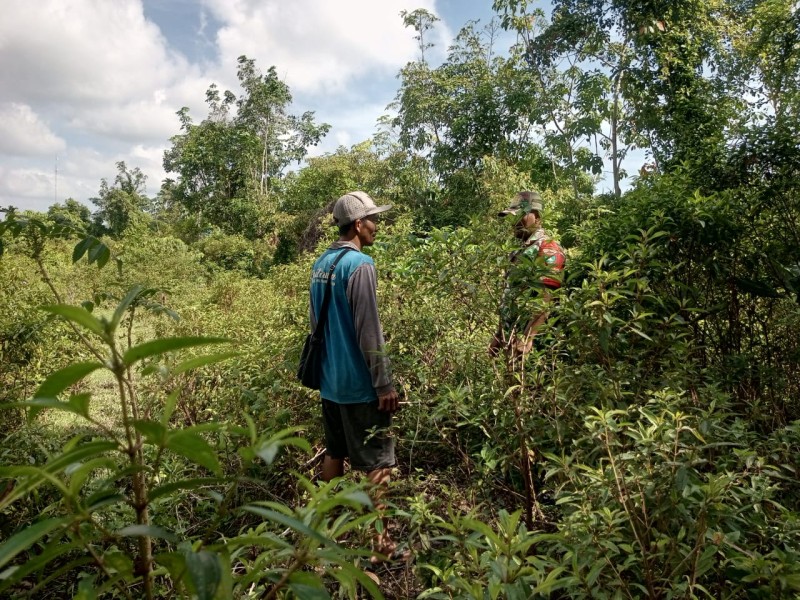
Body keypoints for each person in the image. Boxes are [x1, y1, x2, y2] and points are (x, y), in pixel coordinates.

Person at [308, 190, 402, 561]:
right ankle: (381, 546)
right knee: (378, 463)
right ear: (359, 224)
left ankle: (318, 532)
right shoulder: (360, 265)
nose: (377, 226)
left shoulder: (322, 263)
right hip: (360, 386)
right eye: (374, 220)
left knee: (335, 453)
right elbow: (369, 331)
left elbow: (315, 324)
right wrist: (383, 383)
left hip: (330, 382)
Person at [489, 190, 565, 361]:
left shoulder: (547, 248)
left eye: (520, 216)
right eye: (512, 217)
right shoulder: (519, 251)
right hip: (513, 340)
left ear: (537, 217)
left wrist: (528, 337)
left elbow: (547, 297)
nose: (515, 222)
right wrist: (500, 334)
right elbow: (510, 296)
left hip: (537, 347)